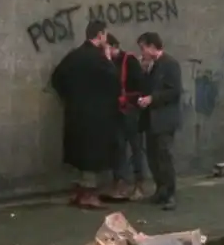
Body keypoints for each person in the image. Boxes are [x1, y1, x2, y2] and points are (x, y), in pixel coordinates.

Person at [51, 20, 121, 209]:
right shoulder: (98, 59)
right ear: (100, 35)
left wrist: (69, 97)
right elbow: (115, 82)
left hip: (75, 113)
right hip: (95, 116)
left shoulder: (74, 56)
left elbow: (56, 78)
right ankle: (88, 195)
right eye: (105, 35)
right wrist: (109, 58)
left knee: (77, 155)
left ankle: (78, 193)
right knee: (92, 156)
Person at [136, 32, 183, 211]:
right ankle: (160, 189)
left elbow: (174, 91)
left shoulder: (170, 64)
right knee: (153, 156)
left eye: (143, 48)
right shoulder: (152, 66)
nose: (142, 53)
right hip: (151, 119)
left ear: (152, 46)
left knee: (164, 156)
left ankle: (170, 193)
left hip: (164, 119)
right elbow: (147, 87)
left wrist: (152, 99)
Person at [105, 34, 146, 201]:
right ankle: (120, 182)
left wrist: (130, 99)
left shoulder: (129, 60)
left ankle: (139, 184)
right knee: (118, 146)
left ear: (114, 46)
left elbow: (140, 85)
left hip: (131, 110)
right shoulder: (107, 63)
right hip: (116, 112)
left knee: (136, 147)